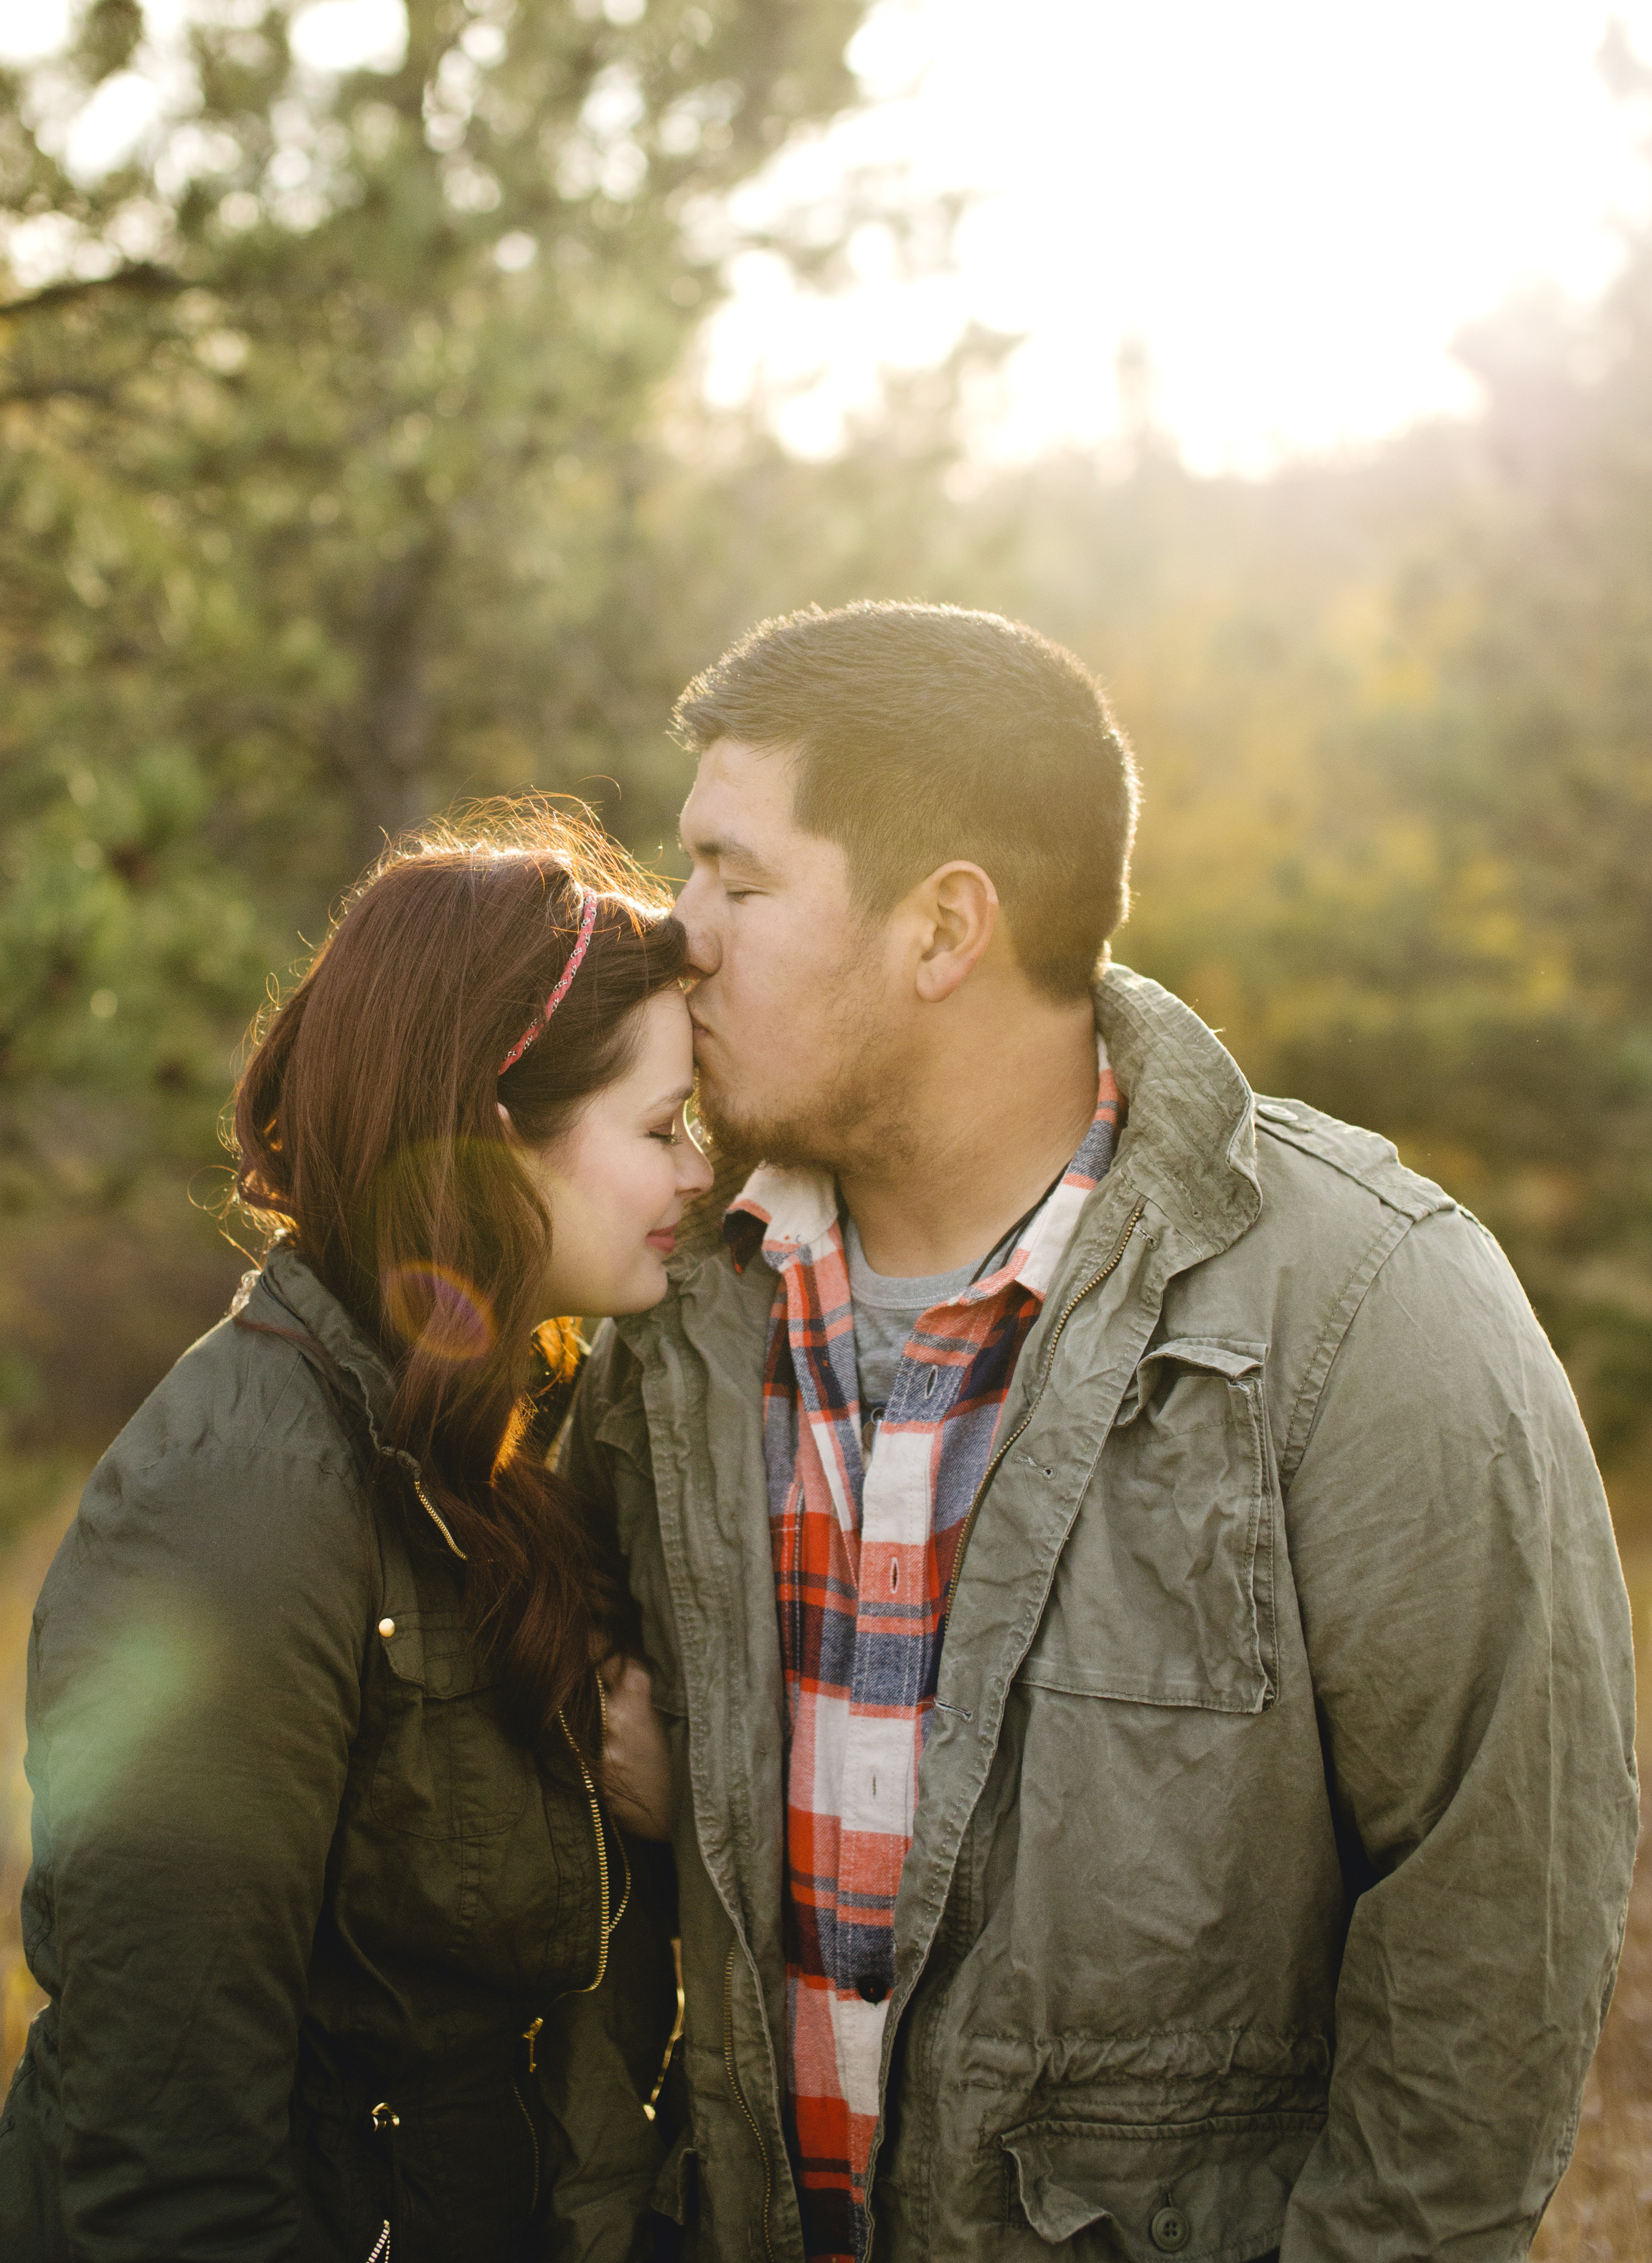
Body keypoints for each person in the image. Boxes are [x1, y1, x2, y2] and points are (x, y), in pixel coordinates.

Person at [565, 600, 1639, 2263]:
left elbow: (1485, 1954)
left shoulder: (1369, 1307)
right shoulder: (671, 1307)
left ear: (942, 930)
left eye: (737, 877)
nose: (675, 929)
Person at [0, 809, 709, 2263]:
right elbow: (164, 2160)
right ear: (492, 1137)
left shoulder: (495, 1421)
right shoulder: (237, 1501)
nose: (694, 1174)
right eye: (661, 1129)